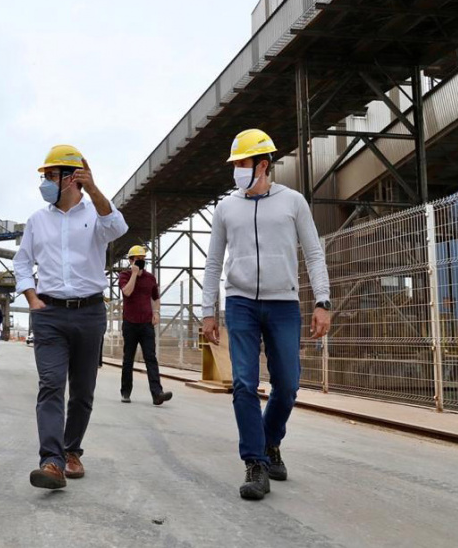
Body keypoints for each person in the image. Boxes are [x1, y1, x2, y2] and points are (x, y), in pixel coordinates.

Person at [202, 129, 331, 501]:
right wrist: (207, 311)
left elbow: (313, 253)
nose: (237, 171)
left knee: (288, 384)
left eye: (242, 164)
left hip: (283, 303)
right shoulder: (226, 208)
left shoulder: (293, 202)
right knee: (243, 382)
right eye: (235, 165)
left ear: (263, 164)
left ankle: (271, 441)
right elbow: (213, 264)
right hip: (240, 302)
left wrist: (323, 301)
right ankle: (256, 462)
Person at [14, 145, 128, 489]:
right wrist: (31, 297)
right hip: (49, 314)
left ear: (71, 177)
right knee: (50, 385)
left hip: (90, 312)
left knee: (82, 390)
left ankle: (71, 450)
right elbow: (22, 261)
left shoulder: (95, 214)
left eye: (51, 175)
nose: (45, 182)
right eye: (45, 176)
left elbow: (118, 227)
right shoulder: (37, 220)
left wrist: (93, 189)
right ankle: (51, 461)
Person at [118, 246, 172, 405]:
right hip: (130, 323)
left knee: (151, 358)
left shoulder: (150, 278)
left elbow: (156, 297)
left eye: (143, 259)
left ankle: (157, 394)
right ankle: (125, 392)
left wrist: (157, 313)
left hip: (146, 324)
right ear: (130, 260)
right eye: (137, 259)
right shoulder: (125, 275)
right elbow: (127, 292)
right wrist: (135, 274)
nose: (141, 261)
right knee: (128, 359)